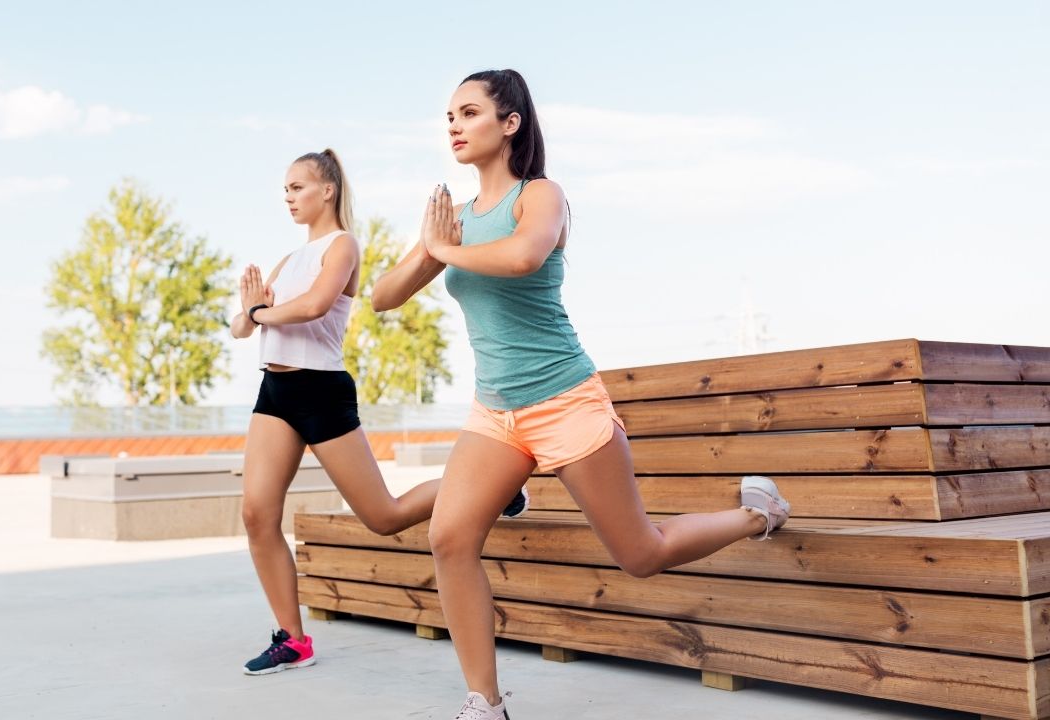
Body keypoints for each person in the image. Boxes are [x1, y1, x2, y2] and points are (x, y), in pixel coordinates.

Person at [371, 70, 791, 719]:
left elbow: (522, 258)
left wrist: (444, 250)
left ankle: (757, 514)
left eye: (469, 112)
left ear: (510, 123)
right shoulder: (451, 223)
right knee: (449, 538)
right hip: (495, 414)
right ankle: (485, 703)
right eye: (449, 114)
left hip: (565, 401)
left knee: (640, 554)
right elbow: (382, 297)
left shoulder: (541, 197)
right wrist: (434, 249)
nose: (453, 125)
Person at [230, 148, 529, 677]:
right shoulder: (284, 260)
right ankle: (292, 640)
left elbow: (312, 307)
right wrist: (250, 311)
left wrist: (258, 311)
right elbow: (242, 327)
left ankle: (495, 487)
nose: (288, 198)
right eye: (285, 190)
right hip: (273, 393)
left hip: (321, 392)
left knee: (383, 517)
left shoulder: (342, 246)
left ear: (328, 190)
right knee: (256, 514)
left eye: (297, 187)